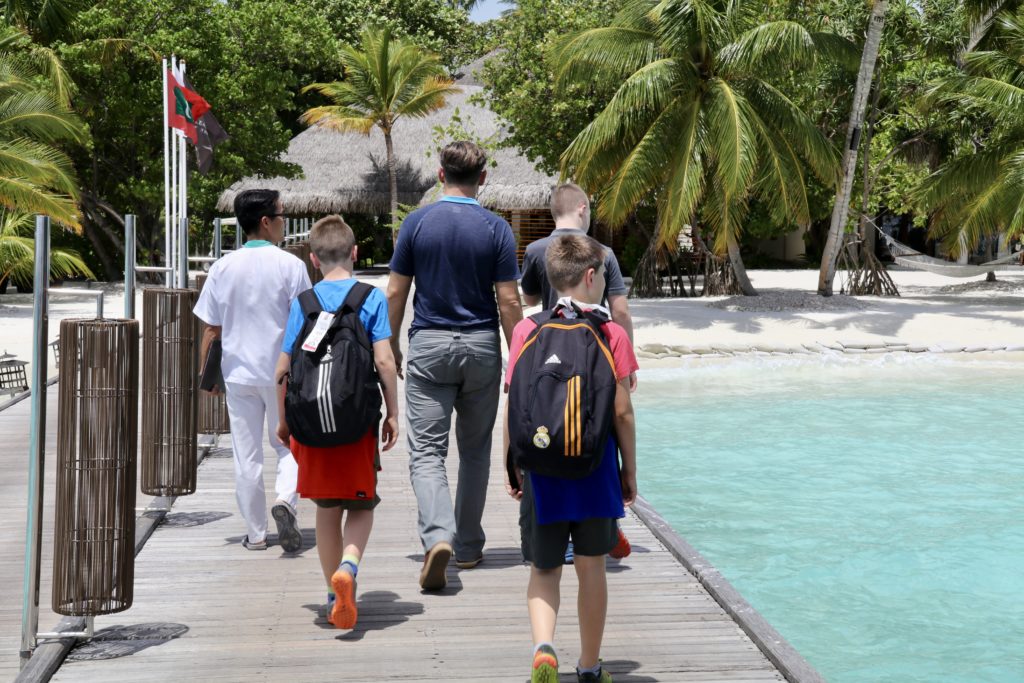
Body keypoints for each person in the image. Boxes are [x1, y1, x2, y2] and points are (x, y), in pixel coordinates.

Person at [387, 140, 524, 590]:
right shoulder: (497, 229)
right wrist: (518, 355)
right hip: (482, 345)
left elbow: (395, 293)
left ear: (439, 173)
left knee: (427, 452)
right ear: (482, 178)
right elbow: (507, 300)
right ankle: (466, 546)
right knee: (476, 450)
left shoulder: (417, 222)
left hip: (429, 344)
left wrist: (389, 346)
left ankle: (437, 535)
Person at [504, 233, 638, 683]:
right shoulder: (611, 333)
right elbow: (621, 411)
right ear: (590, 275)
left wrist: (512, 463)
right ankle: (589, 666)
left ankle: (543, 648)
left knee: (544, 569)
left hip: (542, 471)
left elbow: (516, 402)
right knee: (591, 567)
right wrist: (629, 472)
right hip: (595, 469)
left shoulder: (527, 330)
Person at [274, 215, 399, 629]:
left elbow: (282, 370)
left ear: (312, 259)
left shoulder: (304, 303)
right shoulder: (371, 297)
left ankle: (333, 593)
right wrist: (394, 413)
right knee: (361, 505)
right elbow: (384, 360)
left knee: (326, 511)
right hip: (357, 421)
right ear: (355, 253)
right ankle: (350, 565)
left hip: (311, 424)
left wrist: (283, 422)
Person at [520, 182, 635, 563]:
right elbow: (619, 308)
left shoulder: (537, 250)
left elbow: (530, 300)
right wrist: (625, 358)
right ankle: (603, 523)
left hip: (544, 355)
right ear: (583, 208)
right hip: (595, 355)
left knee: (544, 434)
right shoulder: (602, 253)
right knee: (597, 430)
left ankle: (538, 540)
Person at [194, 189, 310, 552]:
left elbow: (211, 329)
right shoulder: (291, 265)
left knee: (247, 455)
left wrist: (207, 376)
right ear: (265, 221)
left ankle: (256, 535)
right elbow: (306, 319)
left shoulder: (222, 267)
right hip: (281, 372)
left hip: (238, 373)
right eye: (281, 214)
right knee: (288, 446)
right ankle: (286, 500)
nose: (284, 221)